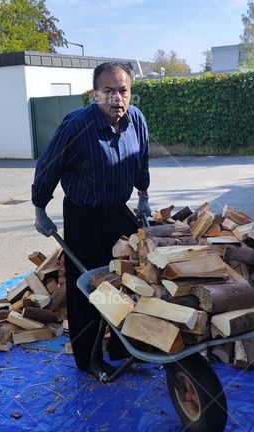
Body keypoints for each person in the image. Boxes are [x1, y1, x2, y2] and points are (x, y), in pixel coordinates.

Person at [31, 62, 152, 381]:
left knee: (128, 279)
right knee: (88, 289)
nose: (117, 98)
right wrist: (40, 207)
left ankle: (123, 348)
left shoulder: (136, 120)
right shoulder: (76, 126)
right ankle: (88, 358)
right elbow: (48, 166)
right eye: (108, 91)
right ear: (95, 94)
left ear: (130, 92)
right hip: (83, 215)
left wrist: (143, 196)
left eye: (123, 90)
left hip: (117, 211)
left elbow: (141, 161)